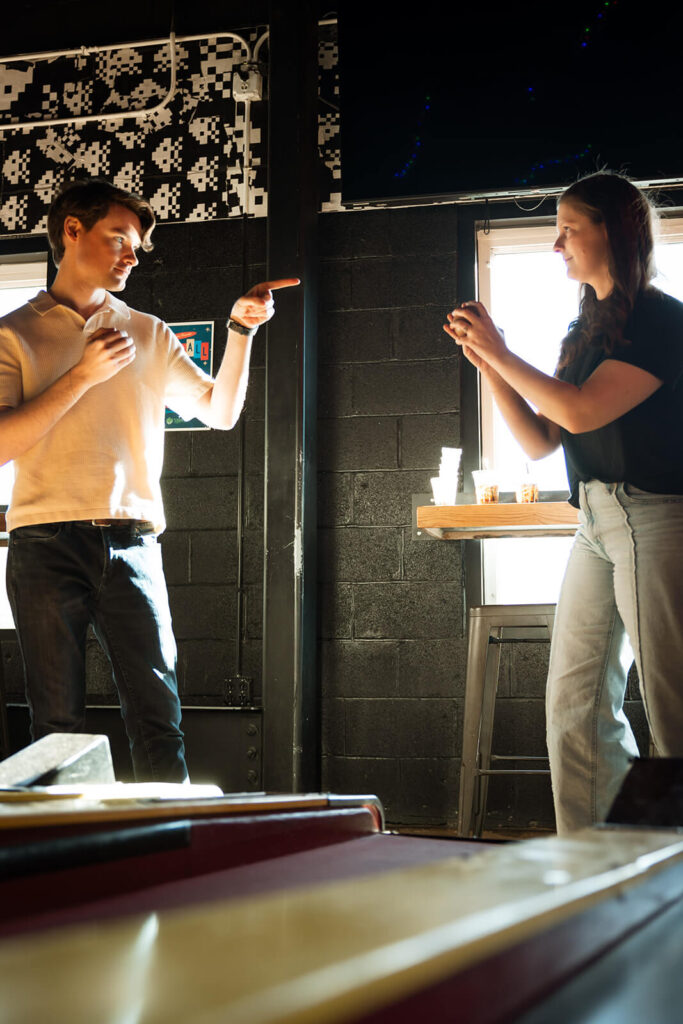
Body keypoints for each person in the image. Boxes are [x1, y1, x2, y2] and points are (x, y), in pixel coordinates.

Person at [0, 178, 299, 782]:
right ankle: (68, 865)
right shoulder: (13, 334)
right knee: (56, 728)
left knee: (160, 717)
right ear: (72, 231)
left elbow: (220, 412)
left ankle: (173, 857)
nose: (132, 256)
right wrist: (83, 375)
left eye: (137, 246)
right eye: (119, 239)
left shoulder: (148, 330)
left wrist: (241, 331)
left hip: (136, 545)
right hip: (42, 546)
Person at [443, 172, 683, 834]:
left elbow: (578, 412)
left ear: (612, 230)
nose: (556, 244)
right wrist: (487, 364)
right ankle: (592, 857)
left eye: (569, 228)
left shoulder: (663, 321)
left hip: (658, 518)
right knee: (573, 705)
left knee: (672, 712)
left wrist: (503, 351)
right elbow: (541, 438)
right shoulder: (585, 329)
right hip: (596, 523)